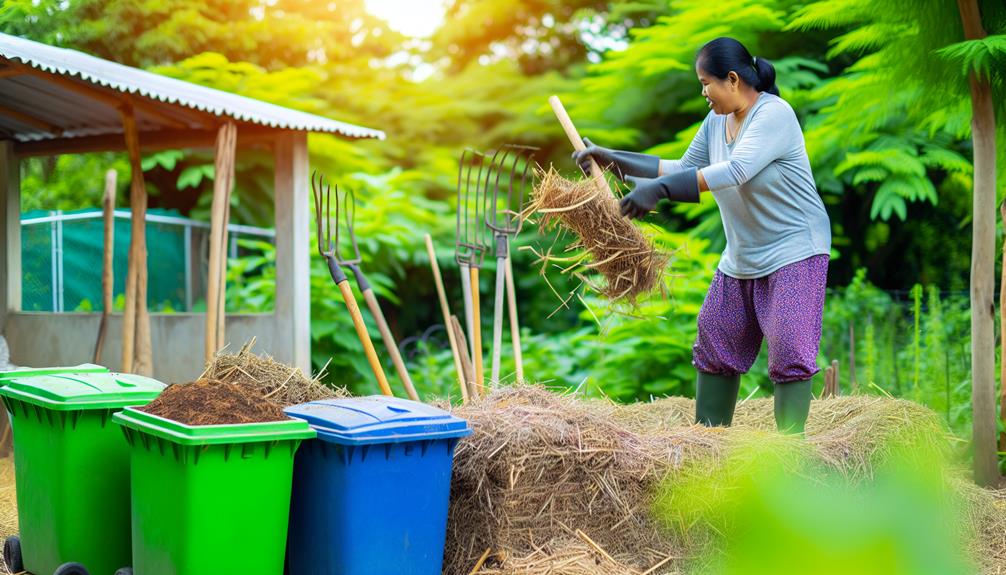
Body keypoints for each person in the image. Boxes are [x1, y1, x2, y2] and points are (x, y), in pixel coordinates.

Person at [574, 37, 831, 434]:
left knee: (788, 345)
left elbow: (736, 170)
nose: (703, 92)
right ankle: (708, 444)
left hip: (795, 249)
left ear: (731, 79)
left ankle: (790, 451)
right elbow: (681, 166)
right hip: (743, 253)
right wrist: (613, 159)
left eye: (705, 82)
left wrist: (659, 191)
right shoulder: (716, 122)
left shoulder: (773, 114)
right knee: (716, 335)